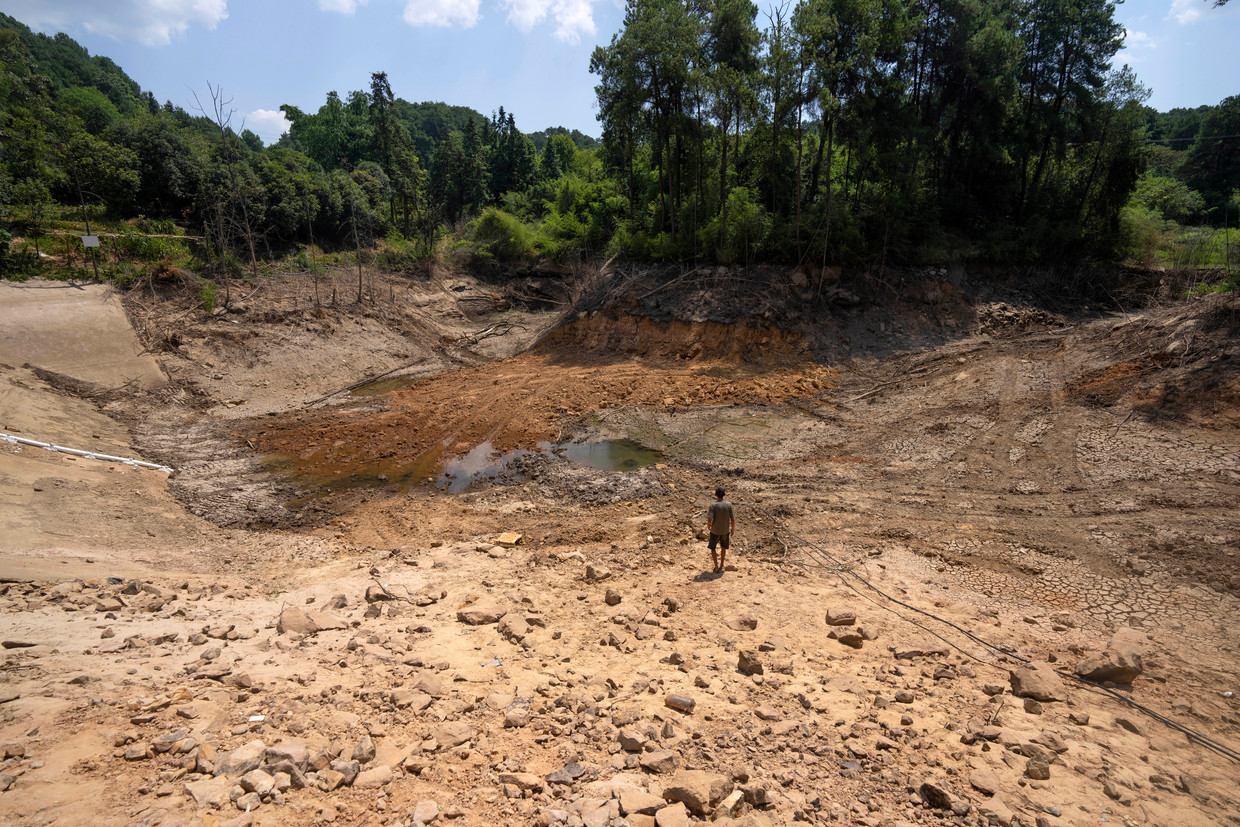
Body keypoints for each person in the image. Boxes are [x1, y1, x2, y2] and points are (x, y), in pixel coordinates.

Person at [705, 487, 735, 574]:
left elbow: (710, 518)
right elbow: (733, 519)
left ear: (715, 494)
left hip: (715, 531)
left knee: (713, 548)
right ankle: (722, 565)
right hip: (725, 531)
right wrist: (732, 529)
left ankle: (716, 566)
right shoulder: (729, 505)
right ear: (724, 494)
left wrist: (709, 525)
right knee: (723, 548)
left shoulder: (713, 505)